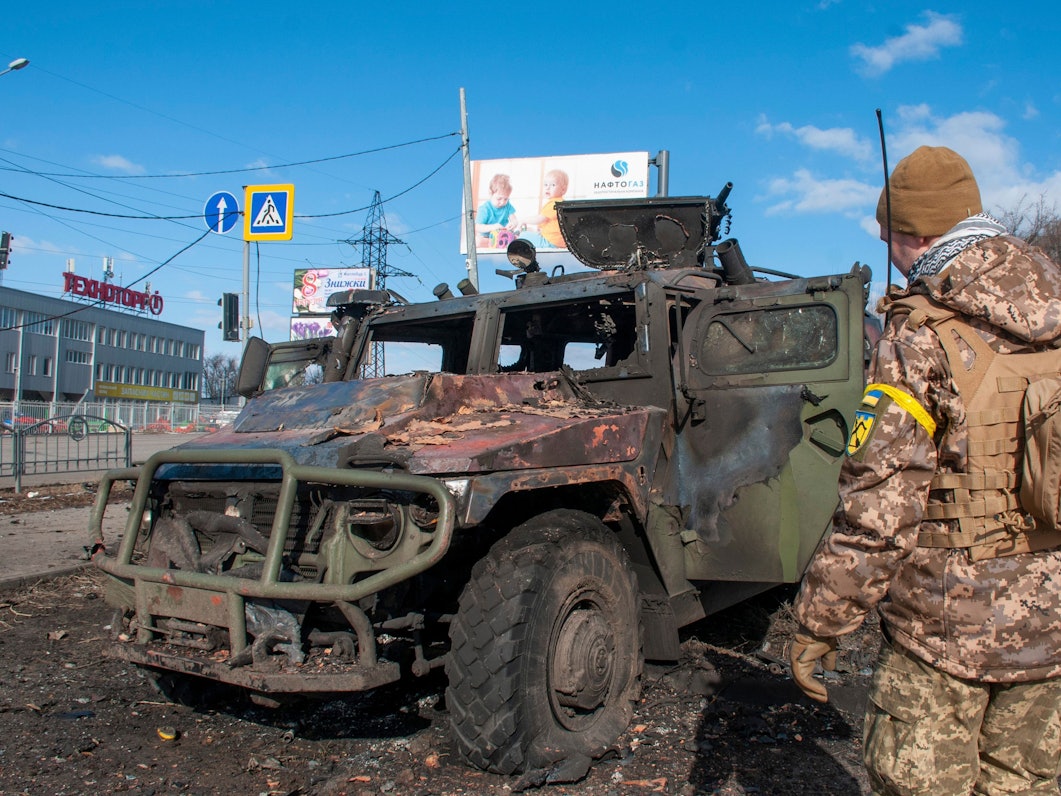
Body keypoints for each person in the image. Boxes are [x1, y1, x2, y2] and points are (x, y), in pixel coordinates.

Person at [789, 146, 1061, 795]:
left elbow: (878, 511)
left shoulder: (918, 338)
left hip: (945, 633)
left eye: (891, 240)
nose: (893, 254)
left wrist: (820, 621)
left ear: (918, 234)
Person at [510, 169, 568, 248]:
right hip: (560, 242)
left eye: (553, 185)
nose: (548, 188)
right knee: (530, 231)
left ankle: (511, 242)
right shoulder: (562, 203)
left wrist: (523, 220)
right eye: (545, 185)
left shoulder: (554, 204)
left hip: (550, 242)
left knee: (523, 235)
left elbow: (540, 219)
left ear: (563, 190)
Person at [475, 173, 517, 247]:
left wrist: (513, 224)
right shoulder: (484, 209)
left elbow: (514, 219)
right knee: (478, 242)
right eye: (499, 198)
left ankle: (501, 244)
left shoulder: (507, 205)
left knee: (518, 238)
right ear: (490, 193)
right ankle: (495, 244)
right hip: (487, 237)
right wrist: (493, 227)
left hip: (504, 236)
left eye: (506, 199)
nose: (503, 202)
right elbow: (477, 227)